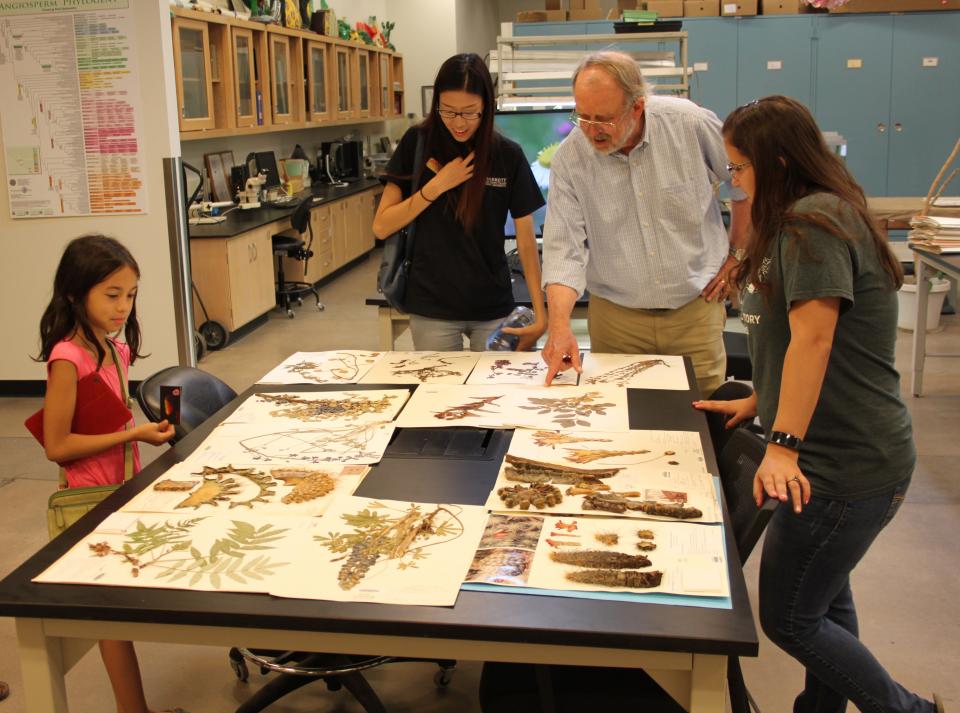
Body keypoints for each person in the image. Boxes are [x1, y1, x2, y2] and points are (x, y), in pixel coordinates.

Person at [694, 96, 944, 713]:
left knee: (789, 617)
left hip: (841, 464)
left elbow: (816, 337)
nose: (737, 182)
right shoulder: (801, 218)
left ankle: (907, 710)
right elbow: (792, 336)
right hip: (839, 453)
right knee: (825, 599)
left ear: (778, 160)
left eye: (741, 167)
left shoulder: (814, 224)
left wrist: (783, 445)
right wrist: (762, 398)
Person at [540, 50, 750, 395]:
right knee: (622, 419)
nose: (592, 132)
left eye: (604, 119)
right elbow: (564, 251)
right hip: (617, 318)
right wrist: (559, 326)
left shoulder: (690, 125)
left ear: (636, 107)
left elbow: (744, 184)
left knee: (703, 415)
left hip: (694, 308)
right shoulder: (570, 160)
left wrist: (736, 255)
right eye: (583, 117)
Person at [36, 235, 184, 713]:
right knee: (110, 621)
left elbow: (111, 419)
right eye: (112, 295)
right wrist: (133, 435)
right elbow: (57, 446)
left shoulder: (111, 346)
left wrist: (144, 433)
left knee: (119, 615)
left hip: (120, 489)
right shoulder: (68, 359)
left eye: (131, 294)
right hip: (88, 498)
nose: (124, 306)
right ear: (76, 294)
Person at [373, 53, 546, 351]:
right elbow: (381, 225)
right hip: (432, 305)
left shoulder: (507, 155)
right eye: (449, 111)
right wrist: (436, 187)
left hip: (492, 305)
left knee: (496, 393)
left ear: (486, 108)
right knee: (440, 395)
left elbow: (526, 240)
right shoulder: (417, 143)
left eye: (469, 112)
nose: (459, 123)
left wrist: (541, 315)